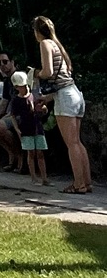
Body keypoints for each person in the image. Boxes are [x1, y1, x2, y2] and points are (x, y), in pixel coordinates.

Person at [33, 15, 93, 195]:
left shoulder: (45, 44)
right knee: (78, 142)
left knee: (72, 143)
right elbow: (63, 79)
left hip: (65, 98)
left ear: (37, 31)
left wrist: (35, 73)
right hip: (74, 93)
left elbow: (48, 72)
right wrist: (48, 98)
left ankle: (78, 184)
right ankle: (87, 182)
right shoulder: (58, 45)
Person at [7, 71, 50, 186]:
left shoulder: (34, 96)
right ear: (16, 87)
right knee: (30, 153)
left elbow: (44, 110)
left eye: (26, 85)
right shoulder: (16, 100)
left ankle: (44, 178)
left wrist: (43, 109)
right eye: (22, 86)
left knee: (40, 153)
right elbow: (13, 116)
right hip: (26, 129)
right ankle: (34, 178)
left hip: (37, 127)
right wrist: (17, 129)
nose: (25, 88)